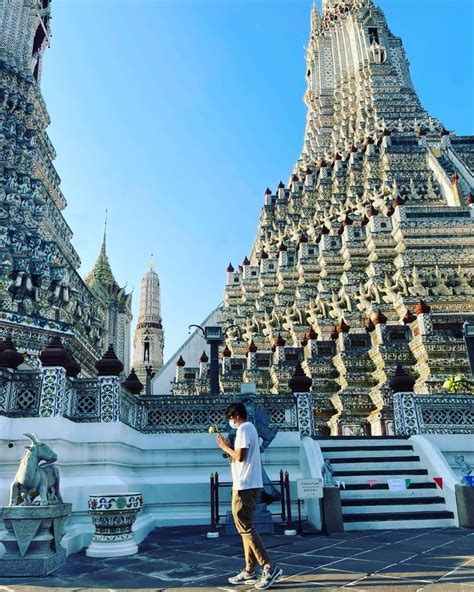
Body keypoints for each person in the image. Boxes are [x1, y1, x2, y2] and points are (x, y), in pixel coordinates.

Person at [216, 401, 283, 590]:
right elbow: (239, 458)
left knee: (245, 527)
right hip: (248, 483)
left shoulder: (244, 428)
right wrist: (231, 447)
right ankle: (249, 569)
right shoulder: (249, 429)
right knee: (246, 526)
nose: (230, 422)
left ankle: (269, 566)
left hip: (245, 486)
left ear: (235, 416)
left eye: (230, 418)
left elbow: (240, 457)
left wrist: (224, 447)